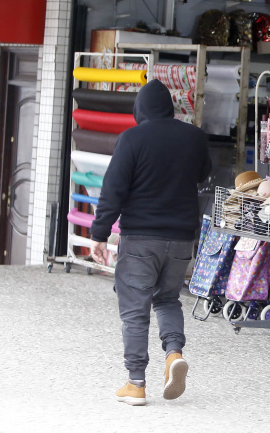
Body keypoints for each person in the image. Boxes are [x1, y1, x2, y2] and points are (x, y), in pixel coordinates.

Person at [90, 79, 211, 407]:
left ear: (139, 110)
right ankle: (174, 355)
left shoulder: (131, 138)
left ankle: (136, 383)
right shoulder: (195, 137)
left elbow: (112, 190)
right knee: (168, 299)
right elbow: (203, 176)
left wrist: (99, 234)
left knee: (135, 310)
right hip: (181, 238)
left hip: (141, 239)